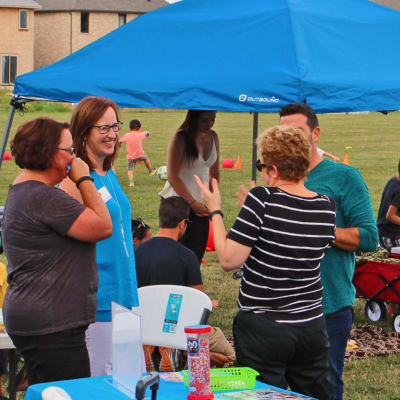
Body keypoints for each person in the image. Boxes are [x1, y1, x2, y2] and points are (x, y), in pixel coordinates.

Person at [196, 126, 336, 400]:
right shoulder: (326, 205)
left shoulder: (262, 198)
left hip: (264, 327)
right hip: (311, 325)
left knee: (262, 396)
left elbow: (228, 259)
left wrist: (215, 209)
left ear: (273, 169)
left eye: (261, 166)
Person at [279, 103, 379, 400]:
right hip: (280, 306)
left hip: (328, 306)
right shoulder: (276, 177)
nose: (290, 139)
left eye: (297, 132)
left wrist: (320, 227)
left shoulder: (343, 177)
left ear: (316, 134)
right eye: (284, 133)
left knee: (323, 386)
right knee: (277, 389)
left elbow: (369, 237)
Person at [2, 117, 112, 384]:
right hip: (51, 323)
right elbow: (102, 226)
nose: (74, 157)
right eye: (70, 151)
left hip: (41, 318)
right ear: (50, 154)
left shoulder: (27, 189)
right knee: (69, 392)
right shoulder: (44, 197)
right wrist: (84, 178)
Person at [59, 97, 139, 376]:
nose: (113, 134)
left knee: (130, 381)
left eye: (115, 126)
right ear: (83, 132)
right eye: (103, 128)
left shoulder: (109, 171)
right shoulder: (74, 180)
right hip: (99, 298)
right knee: (102, 384)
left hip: (125, 291)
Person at [135, 196, 235, 371]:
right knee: (232, 357)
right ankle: (183, 351)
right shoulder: (187, 256)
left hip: (143, 329)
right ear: (182, 223)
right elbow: (198, 305)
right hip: (177, 330)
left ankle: (159, 350)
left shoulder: (137, 253)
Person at [159, 110, 220, 264]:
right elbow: (173, 177)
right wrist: (193, 204)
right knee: (173, 257)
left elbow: (215, 173)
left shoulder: (214, 137)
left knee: (195, 257)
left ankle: (190, 287)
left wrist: (211, 200)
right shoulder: (180, 137)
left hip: (202, 207)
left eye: (213, 120)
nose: (209, 124)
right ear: (193, 118)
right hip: (177, 204)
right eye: (204, 120)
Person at [377, 159, 400, 315]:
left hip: (383, 231)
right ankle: (392, 308)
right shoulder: (399, 190)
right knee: (394, 271)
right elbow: (390, 215)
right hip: (390, 235)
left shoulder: (393, 181)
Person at [119, 119, 157, 188]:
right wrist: (147, 133)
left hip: (130, 156)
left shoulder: (127, 135)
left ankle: (131, 183)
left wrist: (119, 144)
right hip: (140, 154)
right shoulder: (140, 134)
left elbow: (120, 141)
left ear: (129, 128)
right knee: (145, 158)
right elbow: (145, 133)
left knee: (130, 169)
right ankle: (150, 170)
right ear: (139, 128)